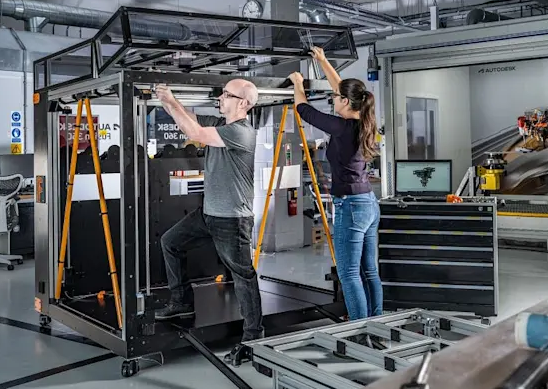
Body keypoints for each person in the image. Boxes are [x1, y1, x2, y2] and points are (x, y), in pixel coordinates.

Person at [154, 79, 263, 361]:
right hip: (209, 214)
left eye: (227, 94)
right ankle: (181, 303)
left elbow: (195, 133)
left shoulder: (241, 132)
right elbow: (188, 121)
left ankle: (253, 337)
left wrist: (171, 98)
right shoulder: (220, 123)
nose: (221, 96)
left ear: (243, 103)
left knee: (243, 276)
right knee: (170, 242)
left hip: (232, 219)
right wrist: (169, 101)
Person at [289, 47, 382, 321]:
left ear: (345, 102)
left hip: (351, 207)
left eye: (335, 98)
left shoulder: (341, 127)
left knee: (349, 273)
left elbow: (304, 110)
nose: (332, 100)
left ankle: (360, 330)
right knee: (370, 272)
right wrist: (322, 60)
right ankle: (376, 323)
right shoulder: (365, 121)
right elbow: (341, 88)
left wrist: (297, 84)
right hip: (368, 203)